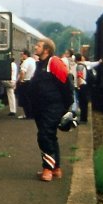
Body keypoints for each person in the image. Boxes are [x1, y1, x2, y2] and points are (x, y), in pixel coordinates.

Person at [28, 38, 73, 182]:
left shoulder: (54, 62)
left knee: (44, 135)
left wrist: (66, 107)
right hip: (40, 107)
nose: (35, 47)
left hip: (52, 106)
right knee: (50, 136)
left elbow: (66, 84)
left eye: (39, 46)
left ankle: (47, 169)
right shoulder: (39, 64)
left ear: (46, 49)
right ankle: (56, 168)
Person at [16, 49, 36, 119]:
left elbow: (22, 72)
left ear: (25, 54)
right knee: (31, 100)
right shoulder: (33, 60)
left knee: (25, 100)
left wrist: (21, 80)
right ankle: (32, 115)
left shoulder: (26, 62)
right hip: (33, 81)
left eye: (22, 55)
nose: (21, 56)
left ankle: (28, 115)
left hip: (26, 82)